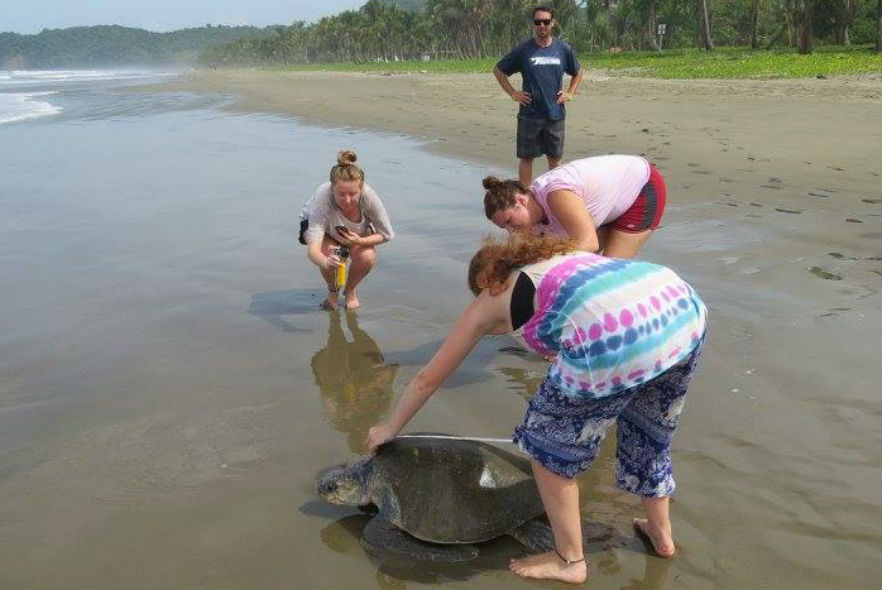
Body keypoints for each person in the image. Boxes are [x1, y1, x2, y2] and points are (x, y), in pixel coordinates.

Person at [367, 233, 707, 584]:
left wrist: (389, 428)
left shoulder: (489, 299)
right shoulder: (560, 260)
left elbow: (427, 379)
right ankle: (660, 535)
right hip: (679, 307)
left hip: (612, 333)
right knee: (648, 433)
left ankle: (569, 560)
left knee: (545, 447)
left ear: (488, 281)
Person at [484, 154, 667, 259]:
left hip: (641, 188)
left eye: (509, 221)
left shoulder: (557, 194)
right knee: (582, 266)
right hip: (606, 206)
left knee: (607, 271)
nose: (511, 230)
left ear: (521, 201)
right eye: (504, 227)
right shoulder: (532, 215)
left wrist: (548, 261)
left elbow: (589, 243)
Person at [493, 5, 584, 186]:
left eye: (546, 21)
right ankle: (526, 198)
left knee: (555, 159)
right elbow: (498, 71)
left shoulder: (563, 49)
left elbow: (579, 72)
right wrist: (513, 93)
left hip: (555, 114)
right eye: (538, 22)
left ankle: (556, 196)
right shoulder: (524, 50)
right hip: (529, 115)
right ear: (534, 24)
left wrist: (570, 93)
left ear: (553, 23)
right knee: (527, 158)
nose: (542, 25)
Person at [300, 150, 394, 310]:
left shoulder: (369, 197)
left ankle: (350, 290)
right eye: (341, 194)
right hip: (327, 230)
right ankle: (333, 290)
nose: (347, 200)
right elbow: (313, 251)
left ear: (361, 189)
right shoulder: (322, 197)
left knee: (367, 256)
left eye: (353, 194)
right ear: (332, 189)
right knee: (329, 252)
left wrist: (359, 241)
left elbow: (387, 235)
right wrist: (325, 262)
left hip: (357, 233)